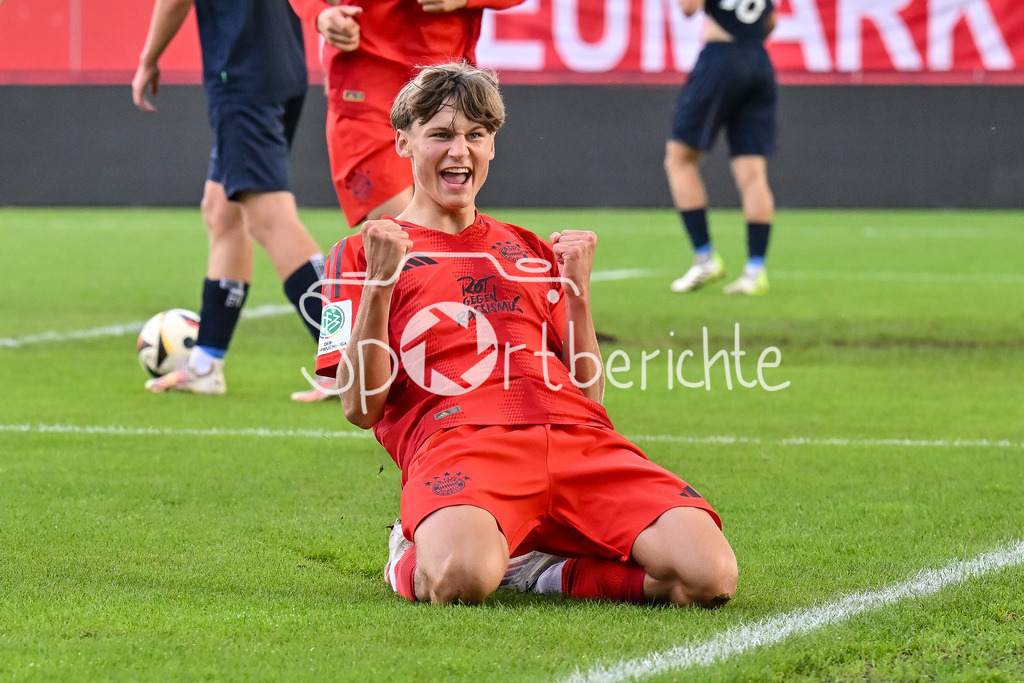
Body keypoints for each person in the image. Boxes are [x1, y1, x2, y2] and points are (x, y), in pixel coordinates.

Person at [314, 62, 738, 607]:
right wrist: (378, 284)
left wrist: (579, 294)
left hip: (576, 439)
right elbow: (360, 405)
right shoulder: (358, 253)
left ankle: (544, 571)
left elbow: (589, 396)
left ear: (492, 145)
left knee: (708, 577)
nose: (459, 152)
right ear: (403, 141)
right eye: (440, 134)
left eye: (476, 136)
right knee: (460, 581)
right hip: (461, 443)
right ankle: (412, 546)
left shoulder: (529, 249)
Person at [286, 0, 525, 402]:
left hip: (447, 92)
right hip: (365, 86)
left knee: (430, 240)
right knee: (401, 239)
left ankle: (479, 363)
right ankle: (375, 367)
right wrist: (319, 14)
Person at [132, 0, 326, 396]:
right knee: (221, 211)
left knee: (268, 216)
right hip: (284, 66)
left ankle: (348, 359)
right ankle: (205, 363)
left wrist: (148, 58)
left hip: (241, 76)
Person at [665, 0, 778, 295]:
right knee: (753, 171)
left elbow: (688, 8)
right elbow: (770, 22)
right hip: (758, 59)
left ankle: (704, 257)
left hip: (721, 58)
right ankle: (756, 271)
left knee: (680, 160)